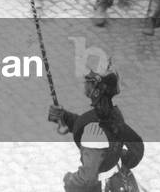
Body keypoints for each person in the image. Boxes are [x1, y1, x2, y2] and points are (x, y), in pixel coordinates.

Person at [47, 63, 144, 192]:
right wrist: (65, 117)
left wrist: (69, 180)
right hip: (117, 177)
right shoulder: (114, 115)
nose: (85, 82)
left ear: (96, 91)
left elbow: (86, 179)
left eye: (89, 81)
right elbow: (137, 148)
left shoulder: (93, 133)